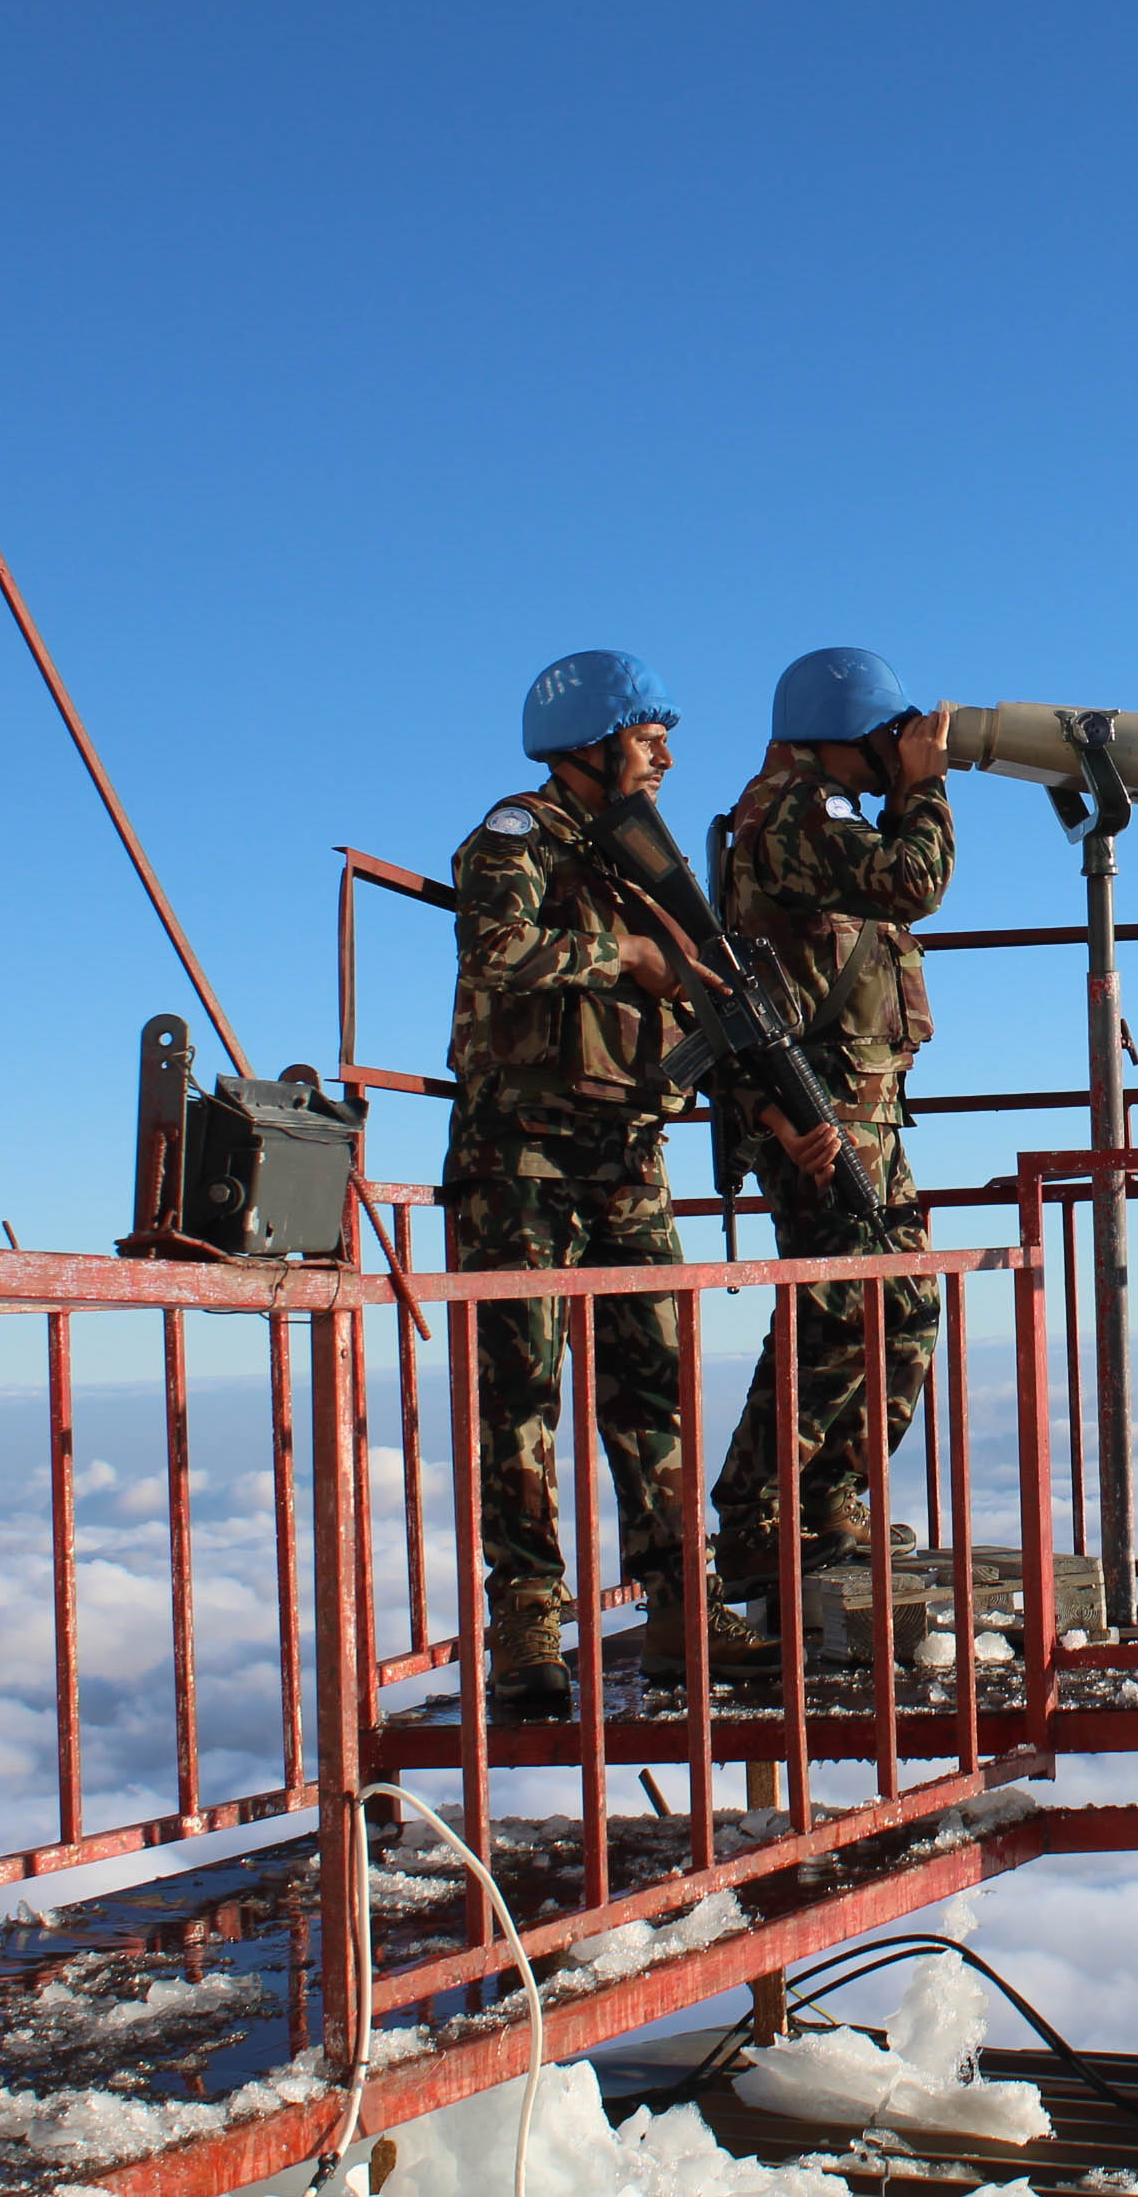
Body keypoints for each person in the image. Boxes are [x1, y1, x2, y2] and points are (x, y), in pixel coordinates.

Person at [444, 648, 711, 1719]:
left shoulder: (645, 855)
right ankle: (525, 1624)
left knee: (652, 1379)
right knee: (520, 1395)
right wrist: (631, 958)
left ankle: (679, 1598)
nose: (667, 757)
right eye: (650, 739)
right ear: (595, 743)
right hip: (520, 1157)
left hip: (625, 1153)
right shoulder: (514, 835)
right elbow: (497, 948)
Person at [708, 645, 956, 1589]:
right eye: (893, 734)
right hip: (820, 1116)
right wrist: (925, 789)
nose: (905, 748)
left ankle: (815, 1504)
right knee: (833, 1319)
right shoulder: (798, 809)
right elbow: (913, 883)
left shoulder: (805, 809)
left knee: (893, 1312)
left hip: (858, 1110)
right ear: (852, 732)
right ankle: (759, 1515)